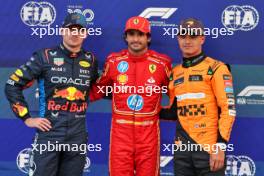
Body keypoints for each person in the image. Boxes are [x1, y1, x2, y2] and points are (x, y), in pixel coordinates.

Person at [5, 12, 98, 176]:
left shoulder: (91, 60)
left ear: (86, 34)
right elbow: (12, 84)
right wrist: (26, 118)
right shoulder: (44, 56)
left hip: (77, 136)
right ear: (62, 31)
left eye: (80, 30)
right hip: (49, 134)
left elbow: (99, 90)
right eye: (71, 29)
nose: (75, 34)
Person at [91, 16, 172, 175]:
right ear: (125, 37)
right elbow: (98, 90)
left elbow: (177, 94)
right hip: (121, 134)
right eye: (131, 34)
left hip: (148, 134)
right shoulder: (114, 61)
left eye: (140, 34)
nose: (135, 39)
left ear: (148, 38)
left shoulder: (162, 64)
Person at [160, 18, 236, 176]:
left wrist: (220, 147)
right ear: (178, 38)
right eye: (183, 36)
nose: (187, 41)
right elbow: (174, 111)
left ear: (202, 39)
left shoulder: (217, 68)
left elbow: (228, 109)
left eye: (193, 36)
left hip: (208, 149)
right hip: (182, 151)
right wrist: (139, 107)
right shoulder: (175, 73)